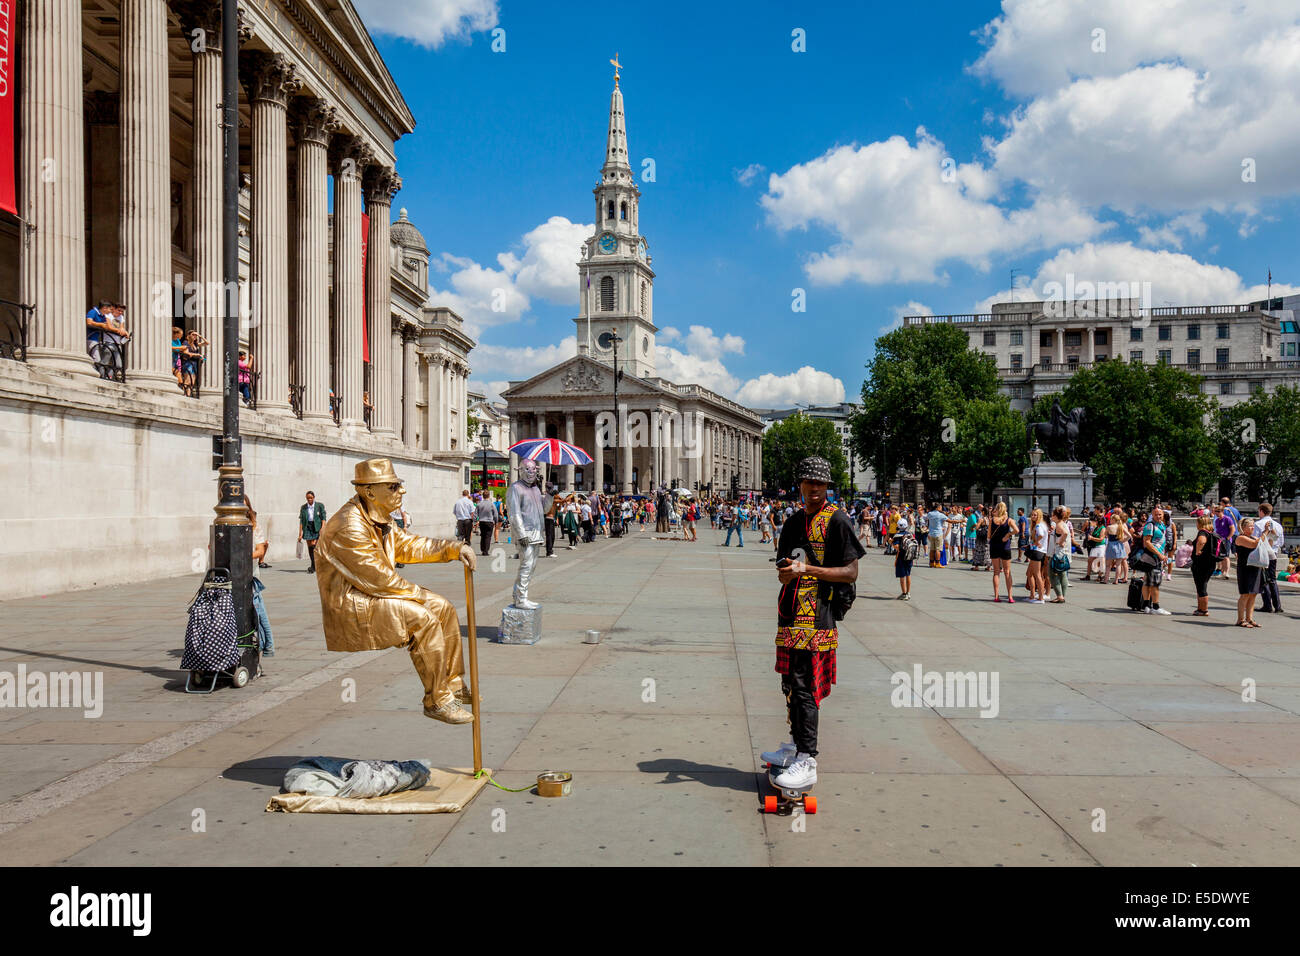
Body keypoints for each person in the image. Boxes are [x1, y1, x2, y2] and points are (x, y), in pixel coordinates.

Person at [315, 458, 478, 723]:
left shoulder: (382, 521)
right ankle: (437, 700)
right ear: (369, 491)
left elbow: (410, 545)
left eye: (398, 485)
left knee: (444, 608)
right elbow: (379, 580)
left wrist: (454, 549)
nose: (401, 491)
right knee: (422, 618)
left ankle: (455, 688)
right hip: (352, 602)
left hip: (371, 593)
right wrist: (423, 595)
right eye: (392, 487)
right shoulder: (349, 526)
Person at [763, 456, 864, 795]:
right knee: (790, 682)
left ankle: (808, 759)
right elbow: (781, 568)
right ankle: (794, 745)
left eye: (820, 484)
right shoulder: (793, 522)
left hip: (818, 614)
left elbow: (850, 572)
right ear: (801, 485)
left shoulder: (837, 520)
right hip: (790, 614)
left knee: (806, 687)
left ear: (827, 486)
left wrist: (807, 571)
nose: (814, 490)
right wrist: (787, 571)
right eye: (809, 483)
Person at [247, 496, 275, 657]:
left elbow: (260, 551)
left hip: (250, 575)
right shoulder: (224, 522)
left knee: (258, 611)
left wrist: (243, 556)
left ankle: (268, 645)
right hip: (228, 576)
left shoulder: (254, 527)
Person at [1138, 506, 1171, 615]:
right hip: (1152, 557)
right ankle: (1156, 607)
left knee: (1148, 581)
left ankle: (1146, 605)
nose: (1158, 516)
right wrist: (1159, 555)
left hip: (1158, 557)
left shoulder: (1162, 525)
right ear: (1152, 515)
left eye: (1160, 514)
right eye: (1156, 514)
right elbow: (1147, 542)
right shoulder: (1150, 525)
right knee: (1154, 583)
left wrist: (1164, 555)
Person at [1234, 518, 1263, 628]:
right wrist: (1264, 532)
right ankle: (1240, 619)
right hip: (1245, 568)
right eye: (1250, 526)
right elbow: (1254, 545)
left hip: (1255, 567)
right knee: (1245, 594)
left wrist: (1271, 534)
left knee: (1253, 594)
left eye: (1253, 526)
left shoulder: (1254, 537)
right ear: (1243, 527)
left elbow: (1264, 543)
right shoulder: (1240, 538)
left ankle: (1249, 618)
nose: (1252, 528)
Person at [1256, 503, 1284, 613]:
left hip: (1262, 553)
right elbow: (1281, 543)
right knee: (1272, 579)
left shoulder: (1258, 524)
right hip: (1273, 554)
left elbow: (1256, 541)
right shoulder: (1278, 525)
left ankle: (1267, 605)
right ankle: (1278, 605)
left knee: (1263, 579)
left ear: (1261, 511)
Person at [1190, 514, 1218, 616]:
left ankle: (1204, 610)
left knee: (1201, 586)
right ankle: (1200, 608)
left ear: (1201, 523)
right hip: (1210, 563)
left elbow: (1201, 541)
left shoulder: (1202, 532)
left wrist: (1197, 551)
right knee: (1201, 585)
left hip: (1201, 563)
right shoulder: (1211, 532)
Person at [988, 501, 1015, 603]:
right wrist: (1008, 535)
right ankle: (1010, 597)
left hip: (994, 546)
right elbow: (1017, 530)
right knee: (1007, 572)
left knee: (996, 572)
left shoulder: (992, 520)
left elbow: (988, 535)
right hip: (1005, 546)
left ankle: (996, 596)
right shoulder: (1009, 520)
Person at [1048, 506, 1074, 603]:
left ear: (1055, 516)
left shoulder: (1059, 524)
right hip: (1064, 553)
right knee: (1062, 574)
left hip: (1058, 553)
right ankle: (1062, 595)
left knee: (1052, 574)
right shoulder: (1063, 523)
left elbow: (1066, 533)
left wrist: (1060, 542)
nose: (1051, 516)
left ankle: (1059, 596)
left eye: (1052, 515)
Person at [298, 491, 326, 573]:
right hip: (307, 527)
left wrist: (322, 528)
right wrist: (300, 534)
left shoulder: (319, 506)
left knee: (314, 545)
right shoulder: (303, 507)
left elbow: (323, 517)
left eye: (311, 498)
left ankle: (314, 566)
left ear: (314, 497)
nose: (309, 499)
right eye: (308, 498)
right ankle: (313, 565)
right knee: (310, 547)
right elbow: (301, 521)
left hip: (316, 527)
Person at [1024, 507, 1048, 604]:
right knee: (1029, 574)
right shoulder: (1042, 524)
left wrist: (1036, 542)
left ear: (1039, 516)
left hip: (1037, 551)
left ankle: (1041, 597)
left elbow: (1041, 535)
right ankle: (1032, 595)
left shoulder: (1038, 525)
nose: (1032, 516)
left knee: (1037, 574)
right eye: (1032, 515)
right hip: (1040, 551)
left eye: (1035, 515)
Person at [893, 516, 915, 599]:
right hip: (909, 556)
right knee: (908, 574)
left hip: (901, 557)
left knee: (902, 576)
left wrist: (891, 542)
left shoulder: (897, 535)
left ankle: (904, 593)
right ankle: (908, 593)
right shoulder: (909, 534)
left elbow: (897, 546)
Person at [924, 502, 948, 568]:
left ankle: (931, 563)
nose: (941, 508)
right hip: (938, 533)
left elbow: (926, 518)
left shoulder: (930, 514)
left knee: (932, 549)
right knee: (938, 549)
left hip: (931, 533)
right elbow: (950, 521)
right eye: (940, 507)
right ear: (937, 508)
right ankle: (937, 563)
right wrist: (960, 521)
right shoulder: (940, 515)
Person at [475, 492, 497, 557]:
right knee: (488, 536)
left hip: (482, 521)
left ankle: (482, 549)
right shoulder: (491, 504)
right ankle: (486, 550)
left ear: (483, 496)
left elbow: (476, 513)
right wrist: (495, 521)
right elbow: (495, 514)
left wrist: (475, 521)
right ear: (489, 496)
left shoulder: (479, 504)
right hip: (489, 521)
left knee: (483, 536)